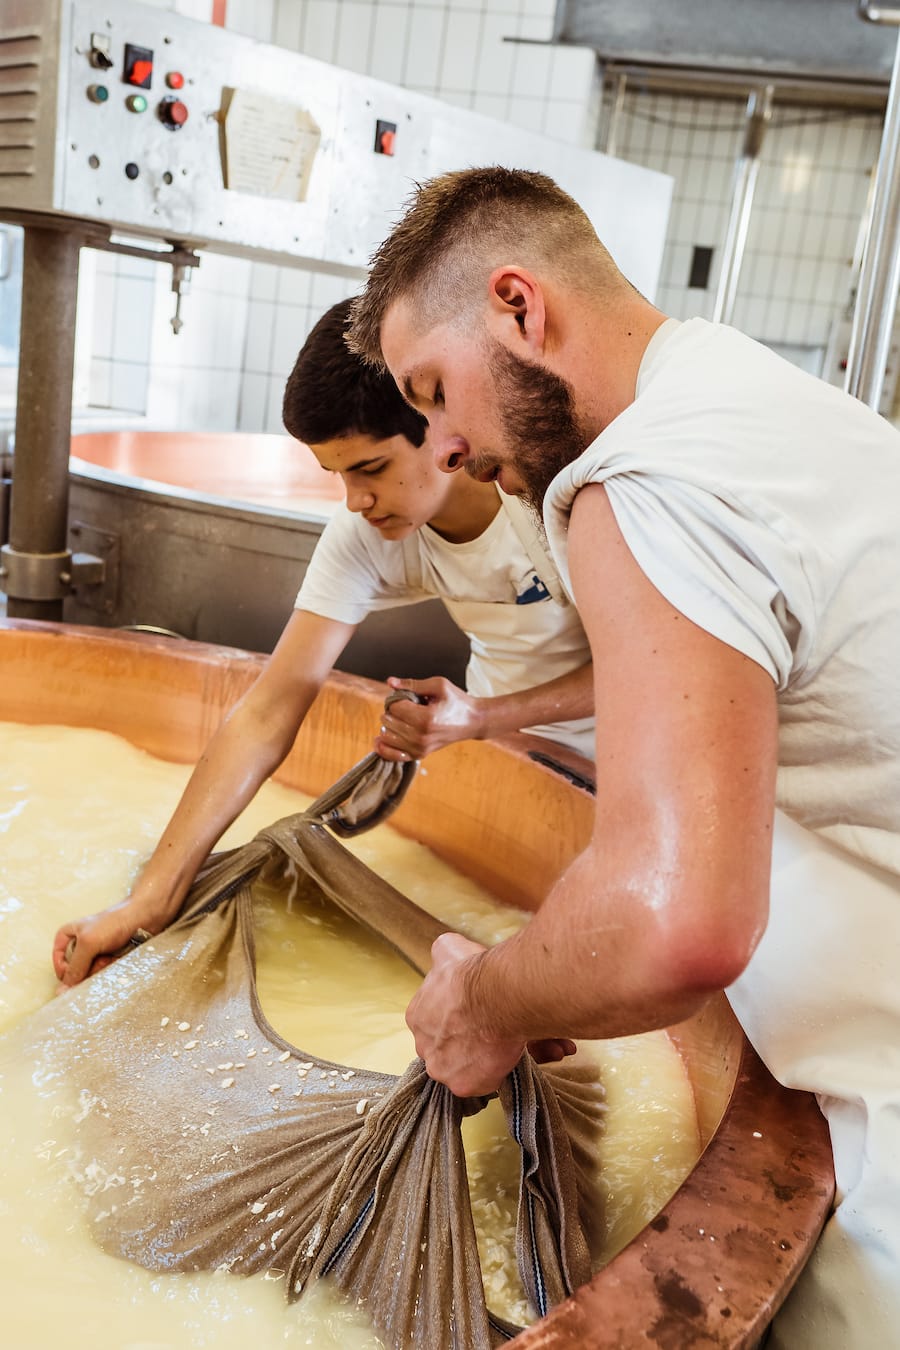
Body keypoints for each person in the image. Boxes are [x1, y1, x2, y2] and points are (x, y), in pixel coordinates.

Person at [346, 166, 900, 1348]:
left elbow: (677, 924)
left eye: (434, 392)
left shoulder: (644, 481)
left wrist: (484, 999)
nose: (440, 442)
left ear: (517, 304)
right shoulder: (740, 404)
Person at [52, 296, 594, 988]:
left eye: (369, 469)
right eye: (336, 475)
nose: (354, 500)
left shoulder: (547, 504)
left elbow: (650, 671)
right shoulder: (366, 537)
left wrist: (483, 716)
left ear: (440, 426)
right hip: (508, 758)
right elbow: (269, 709)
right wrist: (148, 899)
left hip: (623, 759)